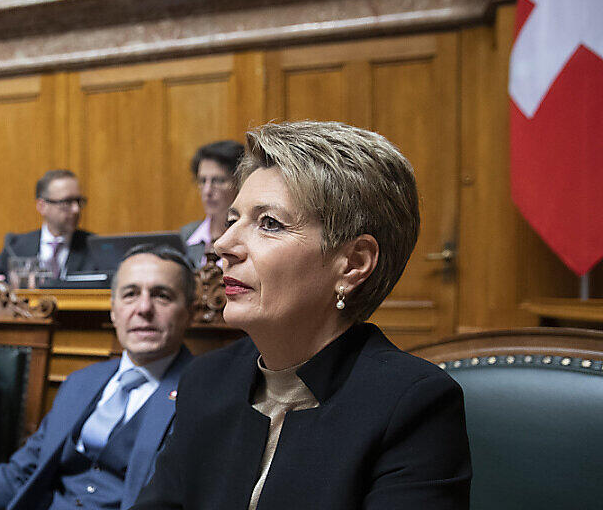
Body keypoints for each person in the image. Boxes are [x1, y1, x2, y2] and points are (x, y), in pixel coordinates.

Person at [132, 121, 471, 509]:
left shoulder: (412, 405)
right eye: (231, 220)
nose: (223, 245)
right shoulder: (207, 381)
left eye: (268, 223)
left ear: (354, 263)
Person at [0, 244, 196, 510]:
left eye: (162, 295)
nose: (144, 309)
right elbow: (20, 474)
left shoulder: (202, 392)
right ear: (113, 311)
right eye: (130, 294)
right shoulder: (81, 382)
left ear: (189, 312)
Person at [0, 170, 95, 278]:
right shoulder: (14, 247)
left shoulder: (94, 248)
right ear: (42, 206)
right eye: (67, 202)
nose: (76, 209)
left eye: (78, 201)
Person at [178, 140, 244, 268]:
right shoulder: (186, 236)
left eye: (218, 181)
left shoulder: (249, 237)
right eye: (203, 181)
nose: (207, 191)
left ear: (240, 182)